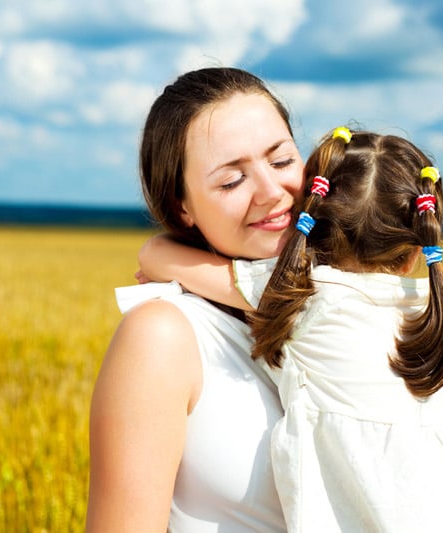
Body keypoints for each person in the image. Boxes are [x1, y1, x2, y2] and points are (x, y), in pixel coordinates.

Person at [137, 127, 443, 532]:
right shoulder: (423, 304)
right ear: (413, 253)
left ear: (310, 222)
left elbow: (156, 255)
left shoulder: (306, 296)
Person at [86, 67, 305, 532]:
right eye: (231, 182)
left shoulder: (361, 297)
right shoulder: (163, 336)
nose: (271, 193)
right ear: (180, 203)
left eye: (282, 160)